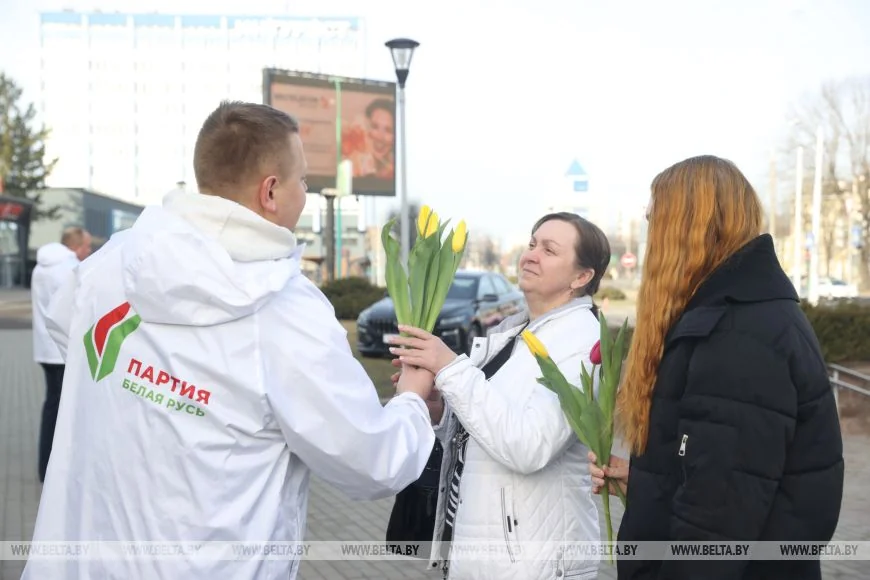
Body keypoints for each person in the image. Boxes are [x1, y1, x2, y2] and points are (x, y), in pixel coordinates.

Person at [21, 101, 436, 580]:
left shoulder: (115, 261)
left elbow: (60, 324)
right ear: (271, 191)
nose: (305, 192)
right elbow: (371, 461)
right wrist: (411, 398)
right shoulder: (286, 310)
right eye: (302, 180)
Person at [591, 155, 844, 579]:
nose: (651, 237)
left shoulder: (739, 333)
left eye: (656, 222)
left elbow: (717, 526)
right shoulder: (740, 314)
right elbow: (728, 474)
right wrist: (650, 483)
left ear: (687, 229)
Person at [388, 212, 612, 580]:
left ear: (581, 276)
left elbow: (528, 446)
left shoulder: (583, 343)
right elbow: (486, 428)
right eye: (532, 243)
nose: (531, 255)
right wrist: (440, 409)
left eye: (549, 250)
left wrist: (449, 367)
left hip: (531, 564)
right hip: (484, 556)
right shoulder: (514, 332)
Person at [30, 226, 92, 482]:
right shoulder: (69, 270)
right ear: (76, 246)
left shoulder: (40, 267)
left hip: (44, 348)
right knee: (65, 410)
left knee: (52, 405)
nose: (89, 252)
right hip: (62, 350)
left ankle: (46, 465)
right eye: (87, 247)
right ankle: (56, 468)